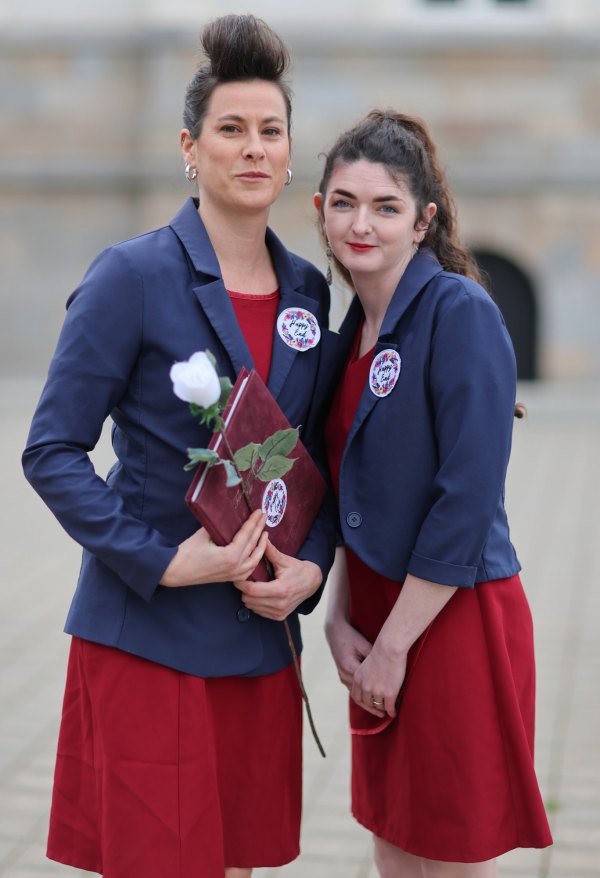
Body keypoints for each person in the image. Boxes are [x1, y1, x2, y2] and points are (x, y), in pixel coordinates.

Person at [22, 15, 336, 878]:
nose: (253, 148)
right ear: (190, 148)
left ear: (288, 151)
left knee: (234, 864)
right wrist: (161, 562)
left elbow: (318, 456)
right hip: (149, 637)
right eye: (231, 130)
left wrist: (311, 565)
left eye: (270, 131)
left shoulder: (310, 291)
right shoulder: (132, 274)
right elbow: (50, 451)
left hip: (258, 637)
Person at [314, 111, 552, 877]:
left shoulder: (460, 312)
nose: (362, 223)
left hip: (450, 620)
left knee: (447, 853)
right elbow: (356, 490)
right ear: (319, 210)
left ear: (423, 222)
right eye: (344, 202)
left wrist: (393, 645)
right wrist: (342, 614)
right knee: (392, 840)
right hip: (380, 614)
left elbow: (466, 496)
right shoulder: (351, 329)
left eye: (385, 207)